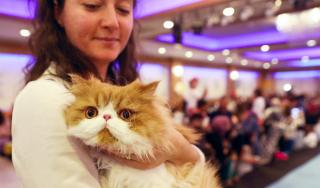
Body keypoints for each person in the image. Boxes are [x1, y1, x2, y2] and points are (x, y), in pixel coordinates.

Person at [11, 0, 201, 187]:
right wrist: (184, 153)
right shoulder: (43, 98)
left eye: (123, 9)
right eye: (92, 6)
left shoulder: (121, 86)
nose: (112, 22)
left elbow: (193, 166)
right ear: (58, 11)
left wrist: (183, 151)